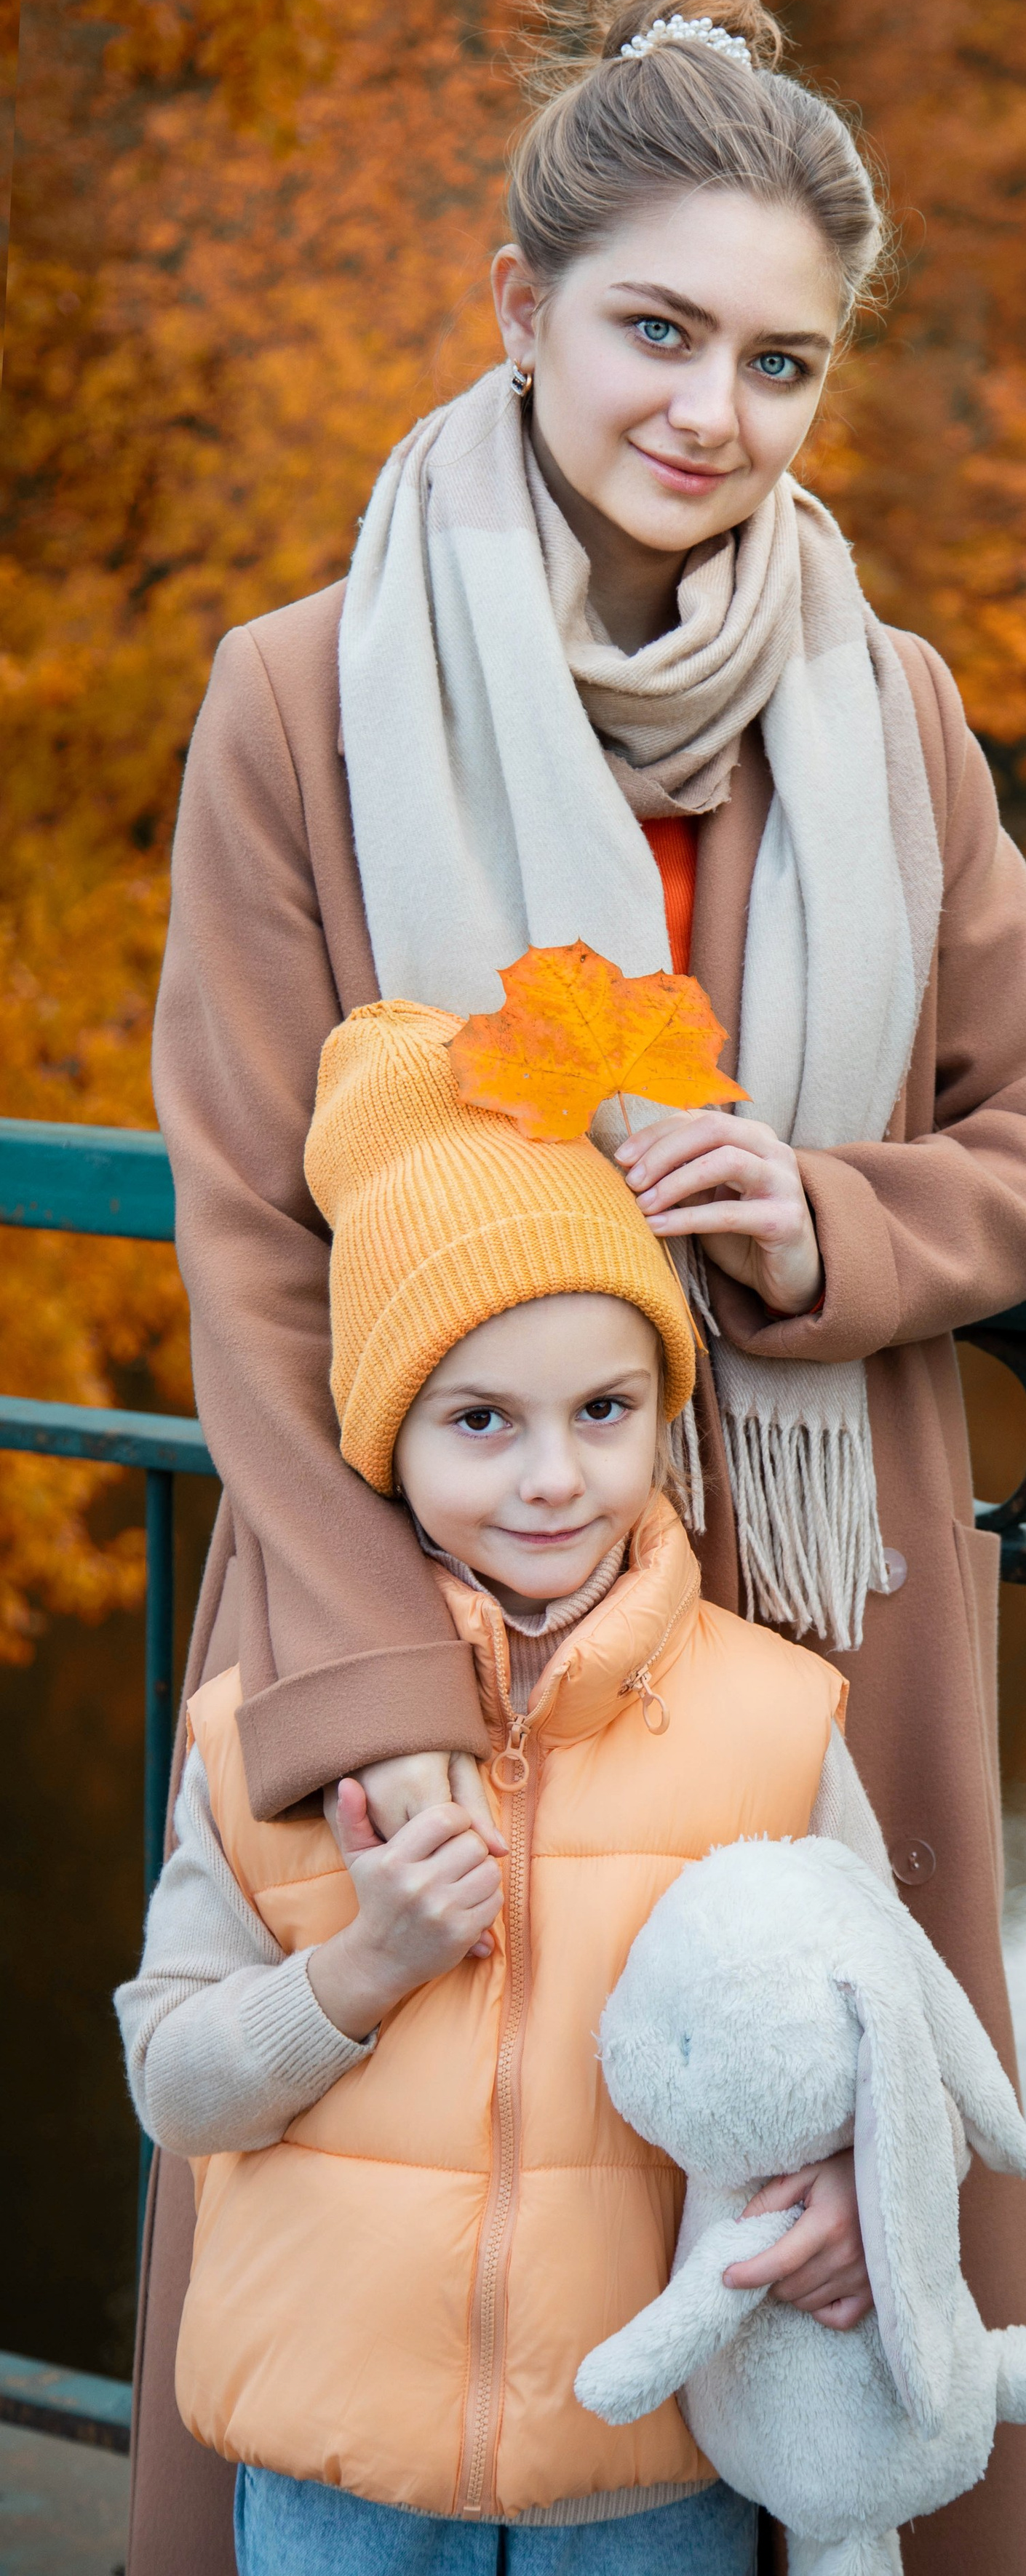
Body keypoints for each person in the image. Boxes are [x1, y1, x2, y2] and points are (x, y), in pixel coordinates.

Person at [138, 0, 1026, 2576]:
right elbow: (250, 1242)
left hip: (797, 1643)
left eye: (781, 363)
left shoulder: (890, 707)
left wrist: (837, 1217)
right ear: (519, 310)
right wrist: (361, 1690)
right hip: (407, 1602)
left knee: (781, 2283)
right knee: (401, 2238)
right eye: (656, 332)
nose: (712, 413)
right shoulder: (298, 694)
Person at [120, 995, 892, 2569]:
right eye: (480, 1422)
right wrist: (359, 1969)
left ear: (663, 1416)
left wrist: (847, 2192)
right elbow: (175, 2084)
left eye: (602, 1412)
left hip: (651, 2470)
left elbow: (878, 2040)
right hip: (336, 2480)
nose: (552, 1477)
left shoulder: (774, 1721)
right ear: (382, 1439)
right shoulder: (270, 1734)